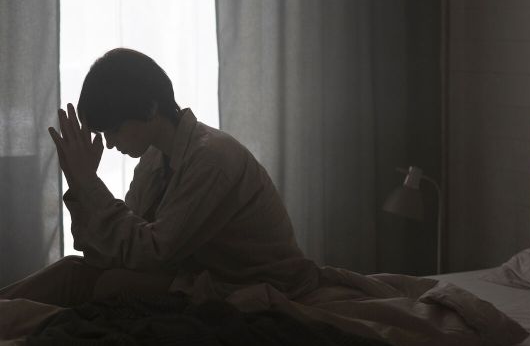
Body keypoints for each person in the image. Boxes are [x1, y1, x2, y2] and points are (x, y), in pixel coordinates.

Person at [0, 48, 319, 307]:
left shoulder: (211, 158)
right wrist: (81, 185)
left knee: (109, 284)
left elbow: (151, 255)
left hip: (248, 285)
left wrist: (88, 185)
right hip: (195, 274)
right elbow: (112, 252)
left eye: (114, 129)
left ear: (151, 108)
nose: (109, 144)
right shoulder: (155, 158)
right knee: (73, 270)